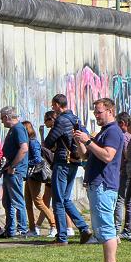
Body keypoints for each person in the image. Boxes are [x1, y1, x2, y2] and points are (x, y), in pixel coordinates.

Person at [72, 98, 125, 262]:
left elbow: (108, 156)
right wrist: (80, 141)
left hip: (104, 184)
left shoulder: (113, 132)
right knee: (102, 227)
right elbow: (85, 156)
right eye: (95, 112)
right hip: (97, 183)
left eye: (99, 112)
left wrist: (88, 141)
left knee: (106, 227)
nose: (96, 115)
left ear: (110, 111)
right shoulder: (103, 132)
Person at [42, 94, 91, 245]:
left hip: (62, 161)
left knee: (58, 200)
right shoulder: (75, 119)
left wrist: (52, 144)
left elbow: (48, 142)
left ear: (57, 105)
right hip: (74, 161)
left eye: (53, 105)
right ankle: (83, 228)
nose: (52, 108)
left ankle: (62, 237)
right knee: (66, 199)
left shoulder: (61, 120)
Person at [0, 106, 29, 238]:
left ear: (7, 117)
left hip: (14, 171)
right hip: (9, 171)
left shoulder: (18, 129)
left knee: (17, 200)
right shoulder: (13, 129)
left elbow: (24, 148)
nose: (2, 122)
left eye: (2, 119)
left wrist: (12, 166)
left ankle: (22, 229)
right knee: (8, 201)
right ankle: (10, 230)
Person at [23, 120, 55, 236]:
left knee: (38, 202)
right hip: (29, 174)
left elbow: (37, 159)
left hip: (35, 174)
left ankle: (53, 225)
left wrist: (25, 163)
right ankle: (32, 229)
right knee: (28, 202)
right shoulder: (27, 142)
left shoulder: (32, 142)